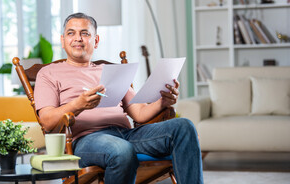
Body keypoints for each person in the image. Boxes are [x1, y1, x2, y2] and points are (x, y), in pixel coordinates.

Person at [34, 12, 203, 184]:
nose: (78, 38)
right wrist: (79, 104)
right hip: (86, 140)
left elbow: (139, 113)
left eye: (85, 33)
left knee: (184, 126)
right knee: (121, 149)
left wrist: (163, 102)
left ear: (96, 40)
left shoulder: (108, 70)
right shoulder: (49, 73)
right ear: (63, 40)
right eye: (71, 33)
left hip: (126, 134)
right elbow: (47, 120)